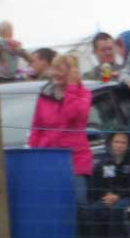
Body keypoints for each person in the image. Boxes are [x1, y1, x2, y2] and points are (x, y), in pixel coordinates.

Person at [28, 53, 92, 204]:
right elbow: (37, 128)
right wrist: (33, 156)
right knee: (50, 205)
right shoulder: (44, 96)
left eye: (60, 70)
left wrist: (71, 88)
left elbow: (73, 114)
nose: (55, 73)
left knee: (77, 205)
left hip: (74, 161)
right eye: (54, 69)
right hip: (48, 159)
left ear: (72, 72)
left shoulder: (84, 94)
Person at [86, 131, 130, 238]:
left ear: (128, 145)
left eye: (123, 142)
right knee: (94, 209)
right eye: (116, 141)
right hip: (108, 198)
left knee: (117, 209)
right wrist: (105, 195)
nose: (119, 145)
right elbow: (95, 185)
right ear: (110, 143)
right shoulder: (103, 162)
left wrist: (118, 196)